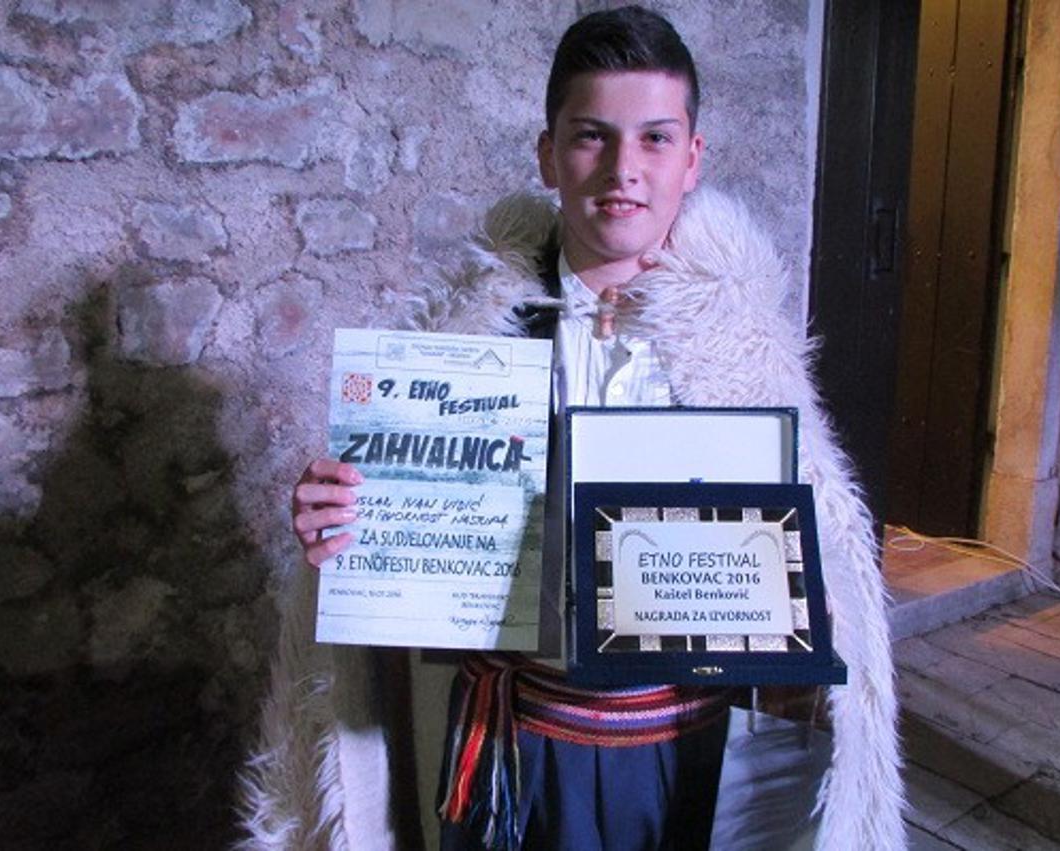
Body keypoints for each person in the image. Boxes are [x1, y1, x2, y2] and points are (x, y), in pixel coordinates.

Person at [256, 6, 903, 850]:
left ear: (692, 157)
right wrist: (341, 519)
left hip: (680, 753)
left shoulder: (744, 356)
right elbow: (394, 572)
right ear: (548, 154)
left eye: (655, 139)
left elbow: (818, 576)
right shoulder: (459, 352)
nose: (623, 169)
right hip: (505, 746)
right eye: (592, 136)